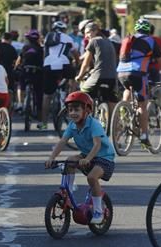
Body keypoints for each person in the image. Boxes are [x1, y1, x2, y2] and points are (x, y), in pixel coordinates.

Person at [44, 91, 115, 224]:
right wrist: (51, 157)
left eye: (77, 109)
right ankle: (67, 194)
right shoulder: (72, 126)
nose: (73, 113)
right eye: (70, 110)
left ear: (87, 110)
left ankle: (98, 211)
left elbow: (97, 145)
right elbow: (62, 142)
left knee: (92, 178)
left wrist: (88, 159)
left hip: (104, 158)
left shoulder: (94, 124)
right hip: (86, 155)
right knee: (69, 161)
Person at [116, 18, 161, 147]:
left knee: (127, 89)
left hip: (121, 73)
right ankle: (144, 135)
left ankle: (123, 110)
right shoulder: (151, 41)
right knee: (142, 105)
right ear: (149, 30)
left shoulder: (127, 39)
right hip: (138, 73)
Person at [40, 21, 79, 131]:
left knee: (47, 96)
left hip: (48, 65)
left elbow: (45, 54)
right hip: (63, 65)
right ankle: (72, 96)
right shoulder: (67, 38)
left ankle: (43, 123)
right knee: (73, 78)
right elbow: (75, 53)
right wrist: (77, 63)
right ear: (64, 29)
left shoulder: (48, 37)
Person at [75, 23, 118, 115]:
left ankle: (88, 119)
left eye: (88, 32)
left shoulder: (93, 41)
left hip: (99, 77)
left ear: (96, 31)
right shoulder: (109, 41)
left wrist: (80, 76)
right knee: (111, 100)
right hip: (112, 78)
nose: (86, 36)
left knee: (83, 92)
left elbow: (85, 63)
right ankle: (112, 124)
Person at [14, 29, 43, 116]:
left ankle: (20, 103)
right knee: (38, 91)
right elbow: (43, 61)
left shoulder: (25, 47)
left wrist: (16, 68)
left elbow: (18, 61)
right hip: (37, 72)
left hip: (25, 71)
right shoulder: (41, 49)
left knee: (20, 85)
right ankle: (38, 109)